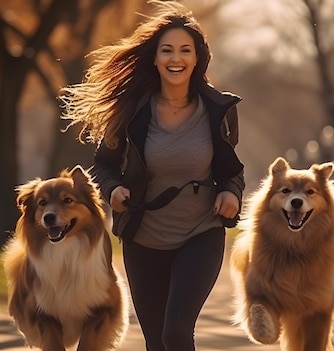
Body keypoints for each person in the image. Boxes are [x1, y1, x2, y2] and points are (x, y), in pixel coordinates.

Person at [60, 1, 245, 350]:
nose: (176, 58)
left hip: (200, 234)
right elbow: (104, 164)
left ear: (197, 58)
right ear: (156, 59)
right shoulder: (131, 111)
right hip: (143, 239)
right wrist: (113, 189)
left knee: (175, 333)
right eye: (167, 50)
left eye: (185, 50)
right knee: (155, 342)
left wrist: (231, 194)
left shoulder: (218, 110)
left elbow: (231, 171)